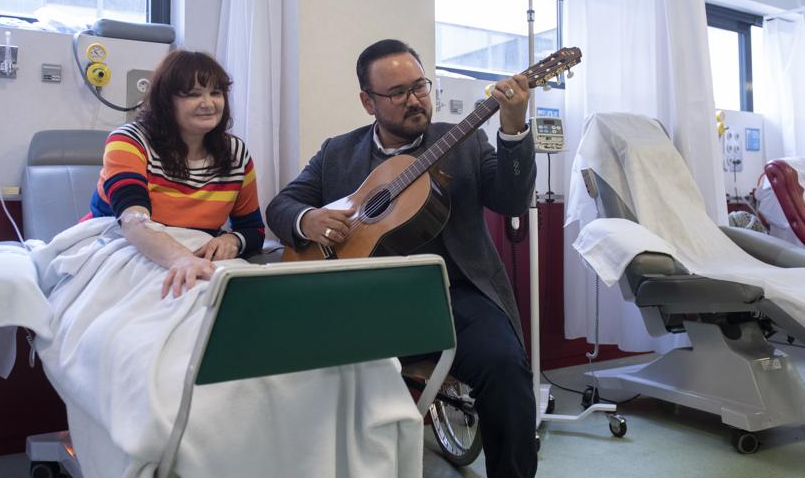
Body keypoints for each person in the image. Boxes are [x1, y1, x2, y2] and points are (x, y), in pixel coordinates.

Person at [266, 39, 537, 477]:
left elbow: (511, 201)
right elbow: (282, 205)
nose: (414, 101)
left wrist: (513, 129)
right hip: (362, 300)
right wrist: (307, 219)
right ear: (367, 101)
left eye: (420, 87)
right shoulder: (337, 152)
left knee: (506, 370)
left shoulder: (465, 141)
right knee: (304, 373)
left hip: (456, 296)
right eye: (397, 93)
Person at [88, 50, 265, 298]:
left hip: (196, 252)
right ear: (166, 101)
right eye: (193, 94)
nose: (208, 103)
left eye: (215, 93)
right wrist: (181, 259)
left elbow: (253, 230)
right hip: (123, 245)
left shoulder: (236, 154)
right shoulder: (128, 141)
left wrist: (231, 241)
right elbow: (132, 222)